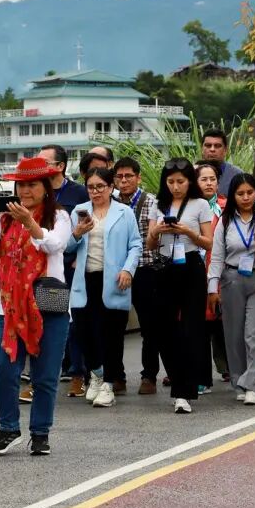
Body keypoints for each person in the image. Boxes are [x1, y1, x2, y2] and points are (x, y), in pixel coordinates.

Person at [0, 157, 73, 455]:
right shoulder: (5, 217)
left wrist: (30, 223)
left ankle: (40, 432)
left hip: (48, 301)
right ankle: (8, 428)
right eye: (21, 185)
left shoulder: (59, 216)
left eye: (32, 185)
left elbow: (55, 244)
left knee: (45, 375)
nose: (25, 191)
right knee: (4, 370)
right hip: (9, 305)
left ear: (45, 187)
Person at [68, 167, 142, 408]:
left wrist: (128, 270)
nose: (95, 191)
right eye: (91, 187)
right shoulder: (79, 211)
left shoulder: (124, 212)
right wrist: (77, 233)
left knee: (112, 334)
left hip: (113, 279)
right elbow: (67, 247)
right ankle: (97, 374)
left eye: (100, 186)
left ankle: (109, 383)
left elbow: (136, 245)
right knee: (83, 331)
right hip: (85, 279)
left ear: (111, 187)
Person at [146, 157, 215, 413]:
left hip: (191, 264)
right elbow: (150, 245)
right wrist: (157, 231)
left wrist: (187, 232)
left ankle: (184, 391)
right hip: (165, 266)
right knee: (164, 329)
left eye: (181, 182)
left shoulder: (200, 204)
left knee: (191, 328)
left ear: (190, 182)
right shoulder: (158, 204)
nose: (175, 187)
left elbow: (208, 242)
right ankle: (177, 380)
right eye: (171, 182)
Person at [208, 173, 255, 405]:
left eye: (250, 192)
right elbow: (217, 257)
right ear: (233, 196)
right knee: (233, 335)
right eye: (240, 193)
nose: (245, 197)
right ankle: (237, 381)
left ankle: (250, 383)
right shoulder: (225, 221)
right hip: (231, 279)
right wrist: (212, 288)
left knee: (254, 333)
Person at [113, 156, 167, 395]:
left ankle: (149, 376)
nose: (124, 181)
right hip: (117, 271)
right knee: (115, 326)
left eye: (128, 176)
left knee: (150, 326)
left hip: (146, 270)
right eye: (119, 177)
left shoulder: (152, 202)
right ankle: (116, 376)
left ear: (138, 177)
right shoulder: (111, 203)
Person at [38, 145, 88, 395]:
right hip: (44, 270)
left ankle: (79, 374)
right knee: (46, 321)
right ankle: (42, 378)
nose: (39, 166)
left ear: (60, 166)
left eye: (44, 162)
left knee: (75, 321)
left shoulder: (79, 193)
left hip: (70, 267)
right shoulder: (37, 192)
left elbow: (90, 226)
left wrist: (80, 255)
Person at [196, 160, 229, 390]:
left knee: (225, 325)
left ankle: (232, 369)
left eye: (212, 179)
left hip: (222, 273)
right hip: (196, 272)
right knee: (199, 328)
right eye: (203, 179)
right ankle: (201, 377)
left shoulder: (227, 207)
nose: (209, 183)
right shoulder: (190, 207)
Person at [201, 128, 241, 197]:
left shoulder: (237, 175)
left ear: (225, 150)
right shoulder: (192, 173)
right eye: (208, 145)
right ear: (202, 149)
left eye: (217, 146)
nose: (212, 149)